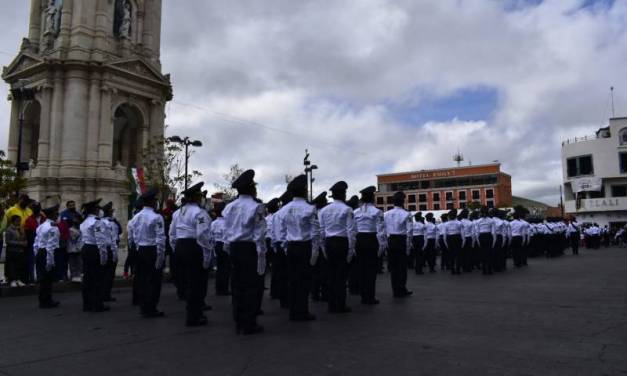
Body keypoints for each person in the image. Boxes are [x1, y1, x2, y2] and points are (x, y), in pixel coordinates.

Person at [222, 170, 266, 334]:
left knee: (237, 285)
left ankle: (239, 320)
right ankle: (249, 322)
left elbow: (226, 232)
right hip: (249, 248)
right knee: (252, 286)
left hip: (234, 247)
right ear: (251, 188)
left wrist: (228, 248)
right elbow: (259, 234)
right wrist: (261, 256)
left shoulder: (229, 207)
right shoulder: (256, 207)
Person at [169, 182, 213, 327]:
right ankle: (194, 316)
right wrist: (207, 255)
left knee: (187, 282)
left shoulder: (177, 213)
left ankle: (193, 312)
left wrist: (176, 248)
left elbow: (172, 234)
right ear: (196, 197)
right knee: (197, 284)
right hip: (194, 247)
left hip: (181, 246)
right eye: (200, 196)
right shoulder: (200, 212)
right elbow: (203, 235)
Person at [277, 175, 321, 321]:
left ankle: (293, 311)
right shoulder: (309, 209)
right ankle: (302, 311)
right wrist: (314, 252)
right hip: (304, 246)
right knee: (304, 281)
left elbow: (281, 232)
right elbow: (315, 233)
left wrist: (285, 247)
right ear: (304, 190)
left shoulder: (284, 209)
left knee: (293, 280)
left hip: (291, 246)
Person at [318, 181, 356, 313]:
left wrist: (323, 248)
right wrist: (351, 251)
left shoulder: (323, 210)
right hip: (342, 243)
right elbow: (351, 232)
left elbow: (321, 231)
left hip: (328, 242)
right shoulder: (347, 209)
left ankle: (331, 304)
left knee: (331, 275)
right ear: (344, 194)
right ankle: (340, 304)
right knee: (341, 276)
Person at [133, 188, 166, 318]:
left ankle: (143, 306)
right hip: (152, 250)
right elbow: (160, 239)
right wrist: (160, 256)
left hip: (141, 249)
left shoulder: (137, 217)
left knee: (142, 279)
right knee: (154, 281)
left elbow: (135, 235)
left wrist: (138, 247)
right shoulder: (157, 217)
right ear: (152, 202)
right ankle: (151, 307)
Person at [353, 186, 386, 305]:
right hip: (372, 239)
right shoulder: (377, 212)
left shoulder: (355, 212)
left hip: (359, 239)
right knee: (371, 270)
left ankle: (363, 296)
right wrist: (381, 246)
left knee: (361, 269)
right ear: (373, 197)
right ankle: (370, 297)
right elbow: (381, 231)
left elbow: (353, 229)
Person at [80, 199, 109, 312]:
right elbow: (100, 241)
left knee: (87, 278)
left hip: (86, 248)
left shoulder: (85, 221)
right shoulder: (97, 221)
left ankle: (87, 304)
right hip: (94, 249)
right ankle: (97, 304)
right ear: (95, 210)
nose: (100, 210)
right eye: (98, 208)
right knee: (97, 278)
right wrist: (103, 257)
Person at [383, 191, 413, 298]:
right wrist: (408, 247)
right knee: (402, 267)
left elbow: (383, 230)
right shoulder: (407, 214)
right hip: (401, 240)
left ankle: (395, 290)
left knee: (393, 267)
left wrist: (385, 243)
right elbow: (409, 232)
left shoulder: (386, 214)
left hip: (391, 240)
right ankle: (401, 289)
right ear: (403, 201)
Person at [33, 202, 61, 309]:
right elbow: (50, 247)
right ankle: (46, 301)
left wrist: (37, 254)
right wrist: (50, 261)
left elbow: (36, 242)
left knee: (43, 279)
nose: (57, 216)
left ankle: (44, 299)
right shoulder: (53, 227)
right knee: (47, 279)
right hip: (47, 253)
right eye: (56, 214)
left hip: (40, 252)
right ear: (52, 215)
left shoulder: (41, 226)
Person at [271, 191, 292, 308]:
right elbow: (288, 230)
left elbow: (273, 233)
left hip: (278, 245)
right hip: (287, 244)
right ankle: (289, 299)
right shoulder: (288, 213)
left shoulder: (276, 215)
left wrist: (275, 246)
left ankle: (283, 300)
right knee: (290, 274)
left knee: (281, 273)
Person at [310, 192, 329, 302]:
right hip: (322, 244)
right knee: (324, 271)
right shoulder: (324, 213)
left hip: (312, 244)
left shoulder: (313, 213)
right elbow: (323, 230)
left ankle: (314, 293)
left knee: (314, 271)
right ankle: (325, 294)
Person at [211, 201, 230, 296]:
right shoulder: (226, 223)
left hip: (217, 245)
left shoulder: (213, 223)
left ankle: (218, 288)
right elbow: (227, 237)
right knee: (225, 269)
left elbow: (211, 236)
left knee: (219, 268)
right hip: (224, 245)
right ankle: (224, 289)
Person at [101, 202, 119, 302]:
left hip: (101, 249)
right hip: (110, 249)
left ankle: (102, 294)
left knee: (102, 274)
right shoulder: (111, 224)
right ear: (110, 213)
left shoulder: (99, 222)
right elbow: (114, 240)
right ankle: (106, 295)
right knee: (109, 274)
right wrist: (115, 254)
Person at [5, 215, 28, 287]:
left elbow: (24, 237)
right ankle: (12, 280)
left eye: (19, 221)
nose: (19, 222)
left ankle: (18, 279)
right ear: (13, 221)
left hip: (20, 251)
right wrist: (20, 243)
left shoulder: (21, 229)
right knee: (12, 266)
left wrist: (25, 241)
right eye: (17, 221)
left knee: (19, 265)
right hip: (12, 251)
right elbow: (8, 241)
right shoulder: (9, 229)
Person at [474, 207, 496, 275]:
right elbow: (493, 232)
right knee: (489, 254)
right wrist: (494, 242)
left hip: (481, 237)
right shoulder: (491, 220)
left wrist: (478, 241)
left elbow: (477, 233)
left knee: (482, 254)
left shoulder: (478, 221)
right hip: (489, 236)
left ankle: (484, 270)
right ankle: (489, 270)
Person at [442, 209, 464, 275]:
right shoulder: (459, 223)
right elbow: (462, 234)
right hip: (457, 237)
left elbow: (444, 235)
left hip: (450, 238)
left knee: (451, 255)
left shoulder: (446, 224)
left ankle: (452, 269)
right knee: (458, 255)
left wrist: (446, 243)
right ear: (455, 216)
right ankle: (457, 269)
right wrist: (463, 242)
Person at [67, 217, 83, 282]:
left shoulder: (80, 230)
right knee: (73, 264)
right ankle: (73, 276)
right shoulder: (71, 230)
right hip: (72, 250)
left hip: (78, 250)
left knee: (79, 263)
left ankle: (78, 276)